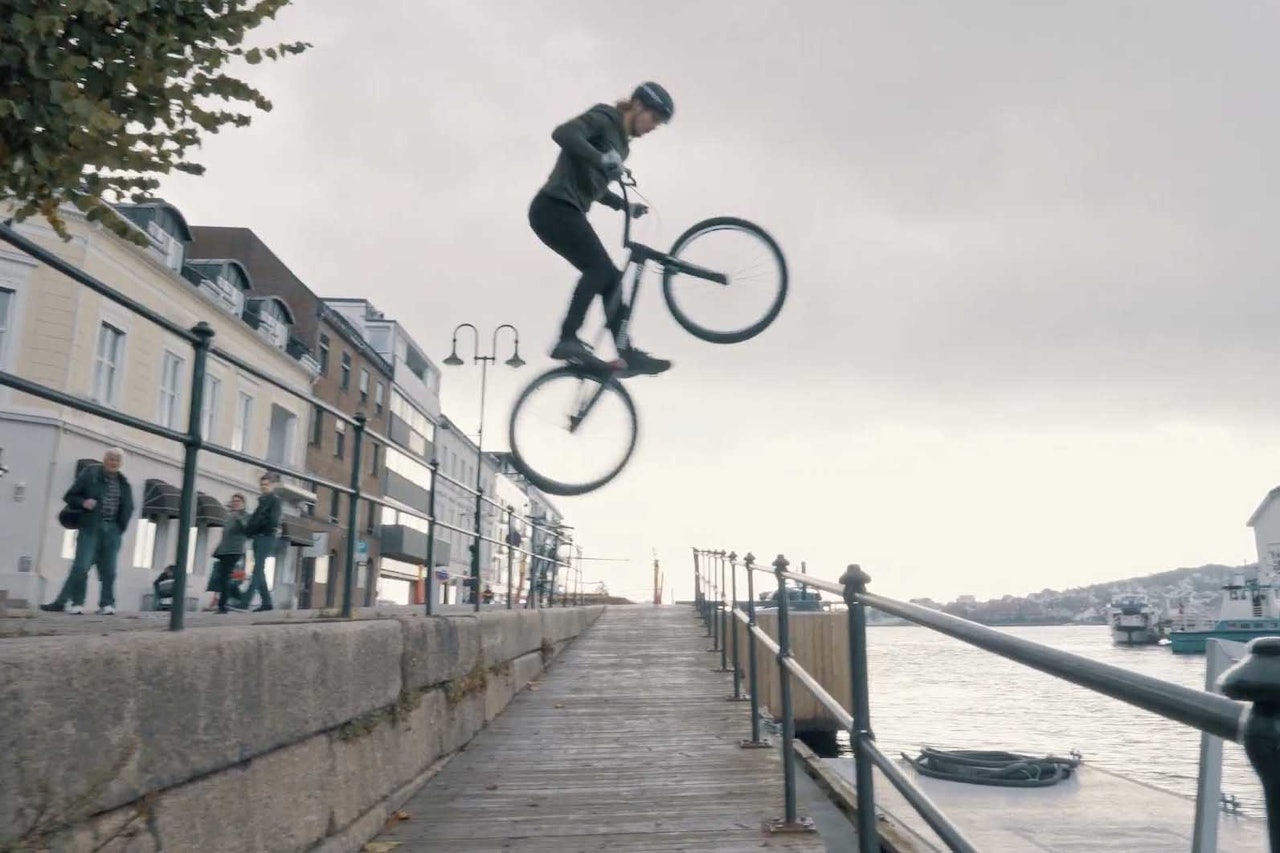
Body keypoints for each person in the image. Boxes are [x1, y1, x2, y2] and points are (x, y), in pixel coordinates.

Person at [529, 81, 675, 378]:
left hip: (566, 211)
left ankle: (626, 352)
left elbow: (593, 185)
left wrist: (623, 205)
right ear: (637, 106)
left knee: (611, 279)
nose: (652, 128)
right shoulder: (605, 118)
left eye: (658, 124)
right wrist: (601, 159)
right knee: (598, 269)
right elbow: (563, 134)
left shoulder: (622, 147)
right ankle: (567, 338)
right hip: (553, 207)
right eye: (653, 118)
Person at [40, 448, 135, 615]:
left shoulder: (123, 483)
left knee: (109, 570)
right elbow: (70, 496)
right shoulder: (90, 475)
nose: (113, 462)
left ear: (121, 463)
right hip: (90, 526)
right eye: (111, 458)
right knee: (81, 566)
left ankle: (107, 604)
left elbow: (129, 506)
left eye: (117, 460)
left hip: (112, 529)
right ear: (104, 459)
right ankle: (73, 603)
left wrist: (119, 528)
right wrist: (83, 502)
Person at [242, 474, 283, 612]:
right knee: (259, 571)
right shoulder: (263, 501)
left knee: (257, 569)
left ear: (272, 485)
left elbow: (272, 521)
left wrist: (260, 528)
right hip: (259, 537)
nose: (263, 487)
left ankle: (245, 601)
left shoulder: (274, 501)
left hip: (266, 537)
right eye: (262, 485)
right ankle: (267, 603)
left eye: (266, 484)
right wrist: (250, 531)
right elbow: (255, 518)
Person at [209, 493, 249, 613]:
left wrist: (238, 516)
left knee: (226, 576)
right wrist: (218, 549)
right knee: (222, 577)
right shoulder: (229, 516)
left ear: (243, 504)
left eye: (237, 501)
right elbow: (225, 534)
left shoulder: (245, 516)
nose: (235, 503)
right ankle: (228, 601)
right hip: (224, 550)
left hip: (235, 550)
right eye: (233, 501)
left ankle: (224, 605)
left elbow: (246, 529)